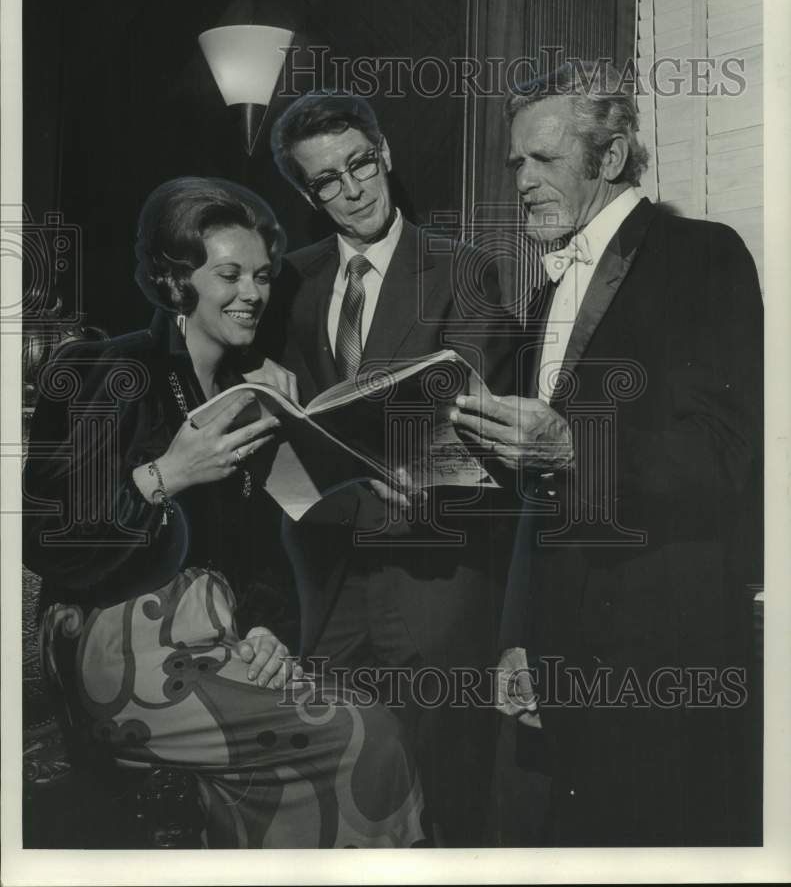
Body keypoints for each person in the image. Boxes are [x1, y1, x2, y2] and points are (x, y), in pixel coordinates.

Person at [23, 176, 426, 848]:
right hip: (114, 639)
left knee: (323, 761)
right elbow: (46, 539)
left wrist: (268, 629)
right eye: (230, 274)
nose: (252, 293)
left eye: (262, 276)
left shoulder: (253, 398)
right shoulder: (107, 368)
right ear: (174, 279)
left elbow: (260, 553)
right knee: (368, 733)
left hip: (214, 634)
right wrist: (163, 475)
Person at [451, 62, 763, 846]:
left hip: (665, 656)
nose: (520, 180)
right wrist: (518, 634)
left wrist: (567, 443)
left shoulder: (702, 254)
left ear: (613, 156)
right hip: (562, 651)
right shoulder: (547, 294)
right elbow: (535, 495)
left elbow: (723, 457)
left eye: (544, 160)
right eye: (515, 161)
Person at [265, 91, 522, 844]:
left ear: (386, 156)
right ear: (305, 192)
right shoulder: (286, 283)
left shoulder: (462, 271)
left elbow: (466, 413)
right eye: (326, 182)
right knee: (335, 792)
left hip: (432, 581)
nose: (351, 191)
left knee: (442, 793)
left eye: (360, 165)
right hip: (328, 581)